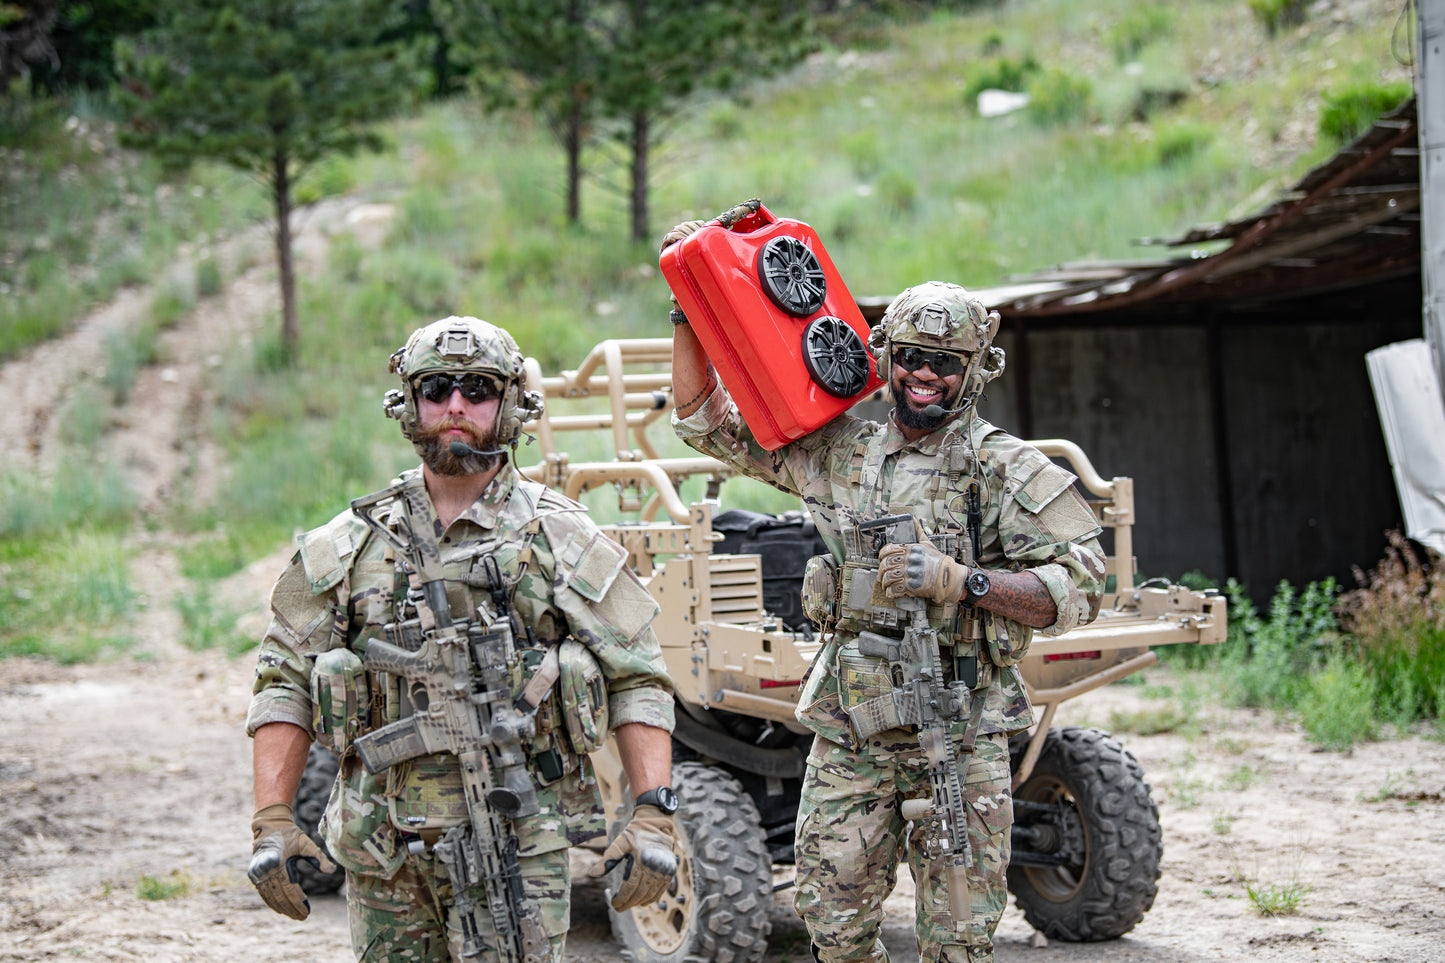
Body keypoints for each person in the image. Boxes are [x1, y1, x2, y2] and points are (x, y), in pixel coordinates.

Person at [664, 228, 1106, 963]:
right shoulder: (840, 452)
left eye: (944, 362)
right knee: (832, 930)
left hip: (961, 733)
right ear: (884, 357)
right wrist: (690, 304)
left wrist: (964, 580)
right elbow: (703, 421)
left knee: (957, 939)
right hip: (852, 731)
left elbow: (1081, 584)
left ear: (975, 369)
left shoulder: (1006, 470)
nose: (924, 375)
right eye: (911, 359)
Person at [246, 315, 680, 962]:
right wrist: (273, 820)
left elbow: (637, 674)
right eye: (436, 388)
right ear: (407, 404)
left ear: (510, 404)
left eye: (477, 389)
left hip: (518, 844)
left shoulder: (560, 537)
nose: (456, 405)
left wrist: (652, 812)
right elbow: (283, 678)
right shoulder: (350, 541)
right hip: (384, 850)